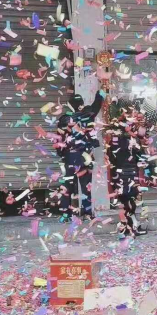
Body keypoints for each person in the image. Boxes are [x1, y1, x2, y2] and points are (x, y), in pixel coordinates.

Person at [56, 89, 105, 220]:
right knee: (86, 186)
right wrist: (101, 91)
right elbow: (97, 103)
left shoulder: (64, 119)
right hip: (85, 157)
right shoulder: (88, 114)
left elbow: (59, 139)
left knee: (67, 186)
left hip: (70, 158)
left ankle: (66, 214)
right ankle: (87, 213)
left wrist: (61, 154)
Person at [106, 102, 148, 236]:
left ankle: (129, 227)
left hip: (120, 174)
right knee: (130, 202)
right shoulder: (130, 138)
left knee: (126, 201)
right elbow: (140, 155)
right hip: (128, 173)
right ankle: (130, 227)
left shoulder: (115, 138)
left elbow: (111, 157)